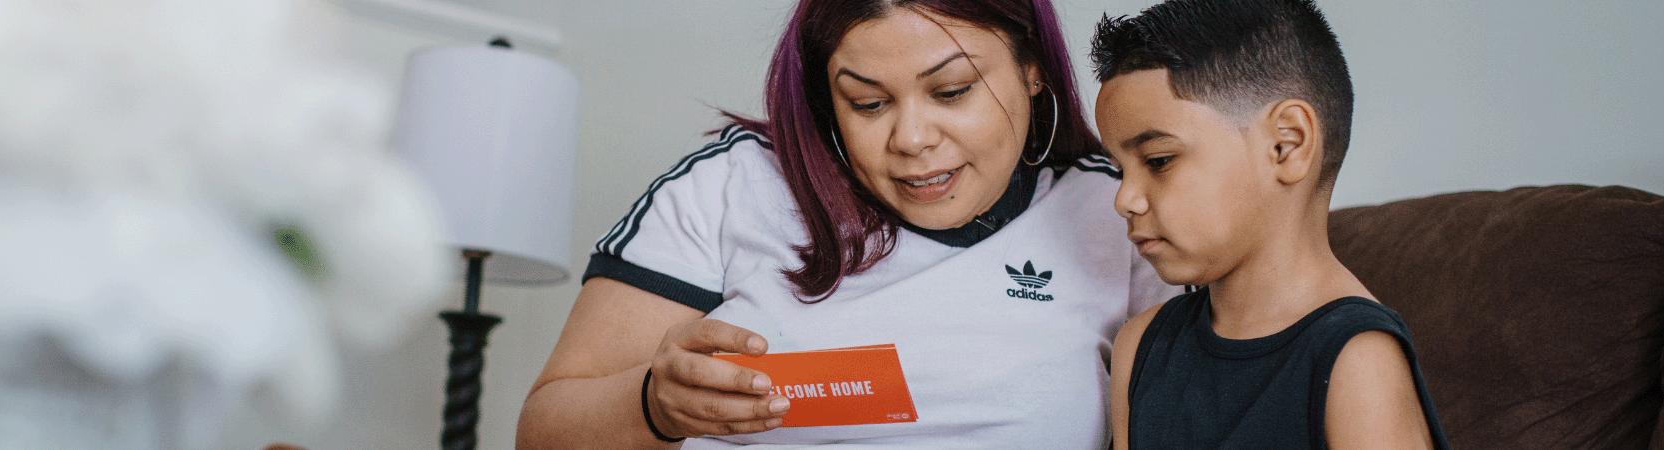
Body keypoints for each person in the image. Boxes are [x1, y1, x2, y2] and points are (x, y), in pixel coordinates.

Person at [519, 0, 1178, 447]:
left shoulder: (1116, 207)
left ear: (1032, 69)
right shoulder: (732, 184)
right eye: (867, 102)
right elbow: (542, 432)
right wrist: (653, 407)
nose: (913, 138)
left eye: (952, 91)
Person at [1090, 0, 1451, 449]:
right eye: (1120, 169)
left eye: (1159, 160)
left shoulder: (1356, 361)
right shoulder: (1139, 347)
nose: (1124, 199)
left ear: (1287, 144)